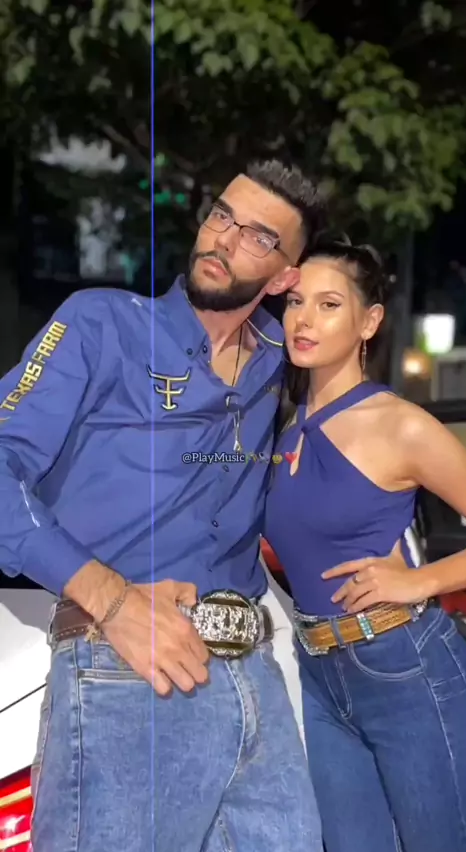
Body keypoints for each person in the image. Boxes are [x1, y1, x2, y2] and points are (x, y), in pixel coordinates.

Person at [0, 160, 325, 852]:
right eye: (221, 215)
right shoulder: (102, 324)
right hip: (126, 667)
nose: (223, 239)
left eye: (258, 237)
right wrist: (111, 600)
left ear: (283, 279)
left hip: (258, 679)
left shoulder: (283, 357)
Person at [264, 240, 466, 852]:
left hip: (406, 666)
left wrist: (420, 579)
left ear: (370, 321)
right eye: (296, 302)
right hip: (319, 676)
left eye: (329, 304)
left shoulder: (400, 425)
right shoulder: (285, 430)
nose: (305, 320)